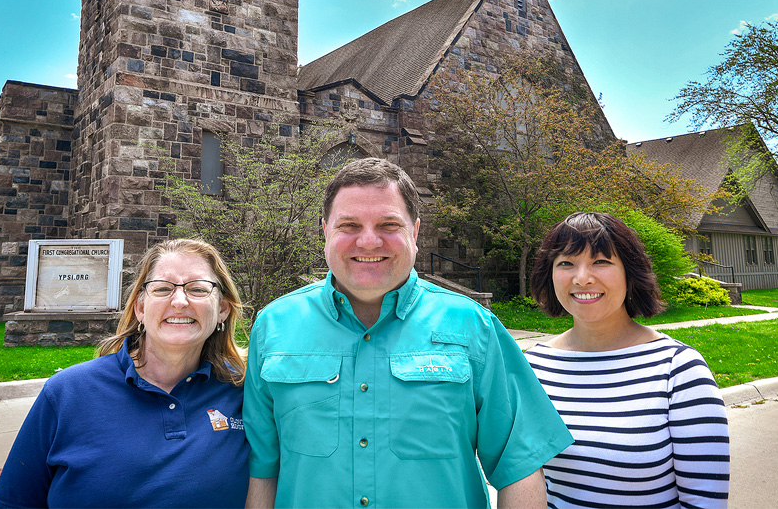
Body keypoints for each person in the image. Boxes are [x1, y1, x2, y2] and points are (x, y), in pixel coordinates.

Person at [244, 158, 573, 508]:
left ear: (414, 233)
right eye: (349, 225)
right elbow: (264, 470)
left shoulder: (474, 326)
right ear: (325, 231)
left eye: (388, 225)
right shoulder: (273, 326)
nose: (368, 241)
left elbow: (519, 466)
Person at [0, 239, 250, 508]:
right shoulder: (67, 393)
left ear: (222, 309)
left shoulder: (245, 390)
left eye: (198, 289)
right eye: (162, 289)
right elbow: (12, 503)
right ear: (140, 308)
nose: (180, 301)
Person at [523, 212, 730, 509]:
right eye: (566, 263)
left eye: (601, 262)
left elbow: (704, 501)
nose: (582, 278)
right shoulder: (534, 366)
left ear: (629, 273)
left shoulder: (678, 369)